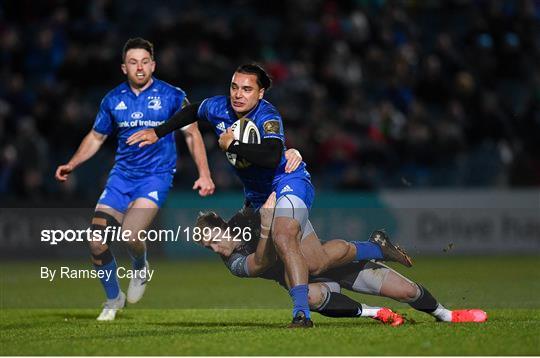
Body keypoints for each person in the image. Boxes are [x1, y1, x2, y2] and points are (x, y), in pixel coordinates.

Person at [127, 63, 400, 327]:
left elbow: (271, 156)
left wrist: (233, 144)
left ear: (260, 93)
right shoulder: (219, 107)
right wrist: (158, 131)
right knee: (316, 261)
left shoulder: (267, 116)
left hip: (287, 180)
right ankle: (376, 247)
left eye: (246, 89)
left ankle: (301, 315)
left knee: (283, 235)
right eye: (234, 87)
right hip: (258, 195)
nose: (237, 94)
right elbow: (193, 111)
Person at [55, 38, 215, 321]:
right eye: (133, 62)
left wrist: (204, 173)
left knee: (130, 234)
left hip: (155, 177)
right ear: (123, 67)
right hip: (121, 177)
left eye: (144, 62)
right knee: (95, 241)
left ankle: (140, 267)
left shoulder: (173, 96)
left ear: (153, 65)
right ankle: (113, 298)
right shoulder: (112, 100)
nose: (139, 67)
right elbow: (96, 137)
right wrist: (72, 163)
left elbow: (191, 133)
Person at [195, 193, 488, 324]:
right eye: (208, 248)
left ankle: (446, 315)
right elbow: (260, 261)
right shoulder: (233, 263)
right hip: (304, 281)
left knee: (407, 291)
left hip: (326, 261)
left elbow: (265, 182)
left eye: (214, 240)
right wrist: (268, 227)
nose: (215, 248)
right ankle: (375, 312)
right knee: (307, 295)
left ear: (224, 226)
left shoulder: (247, 215)